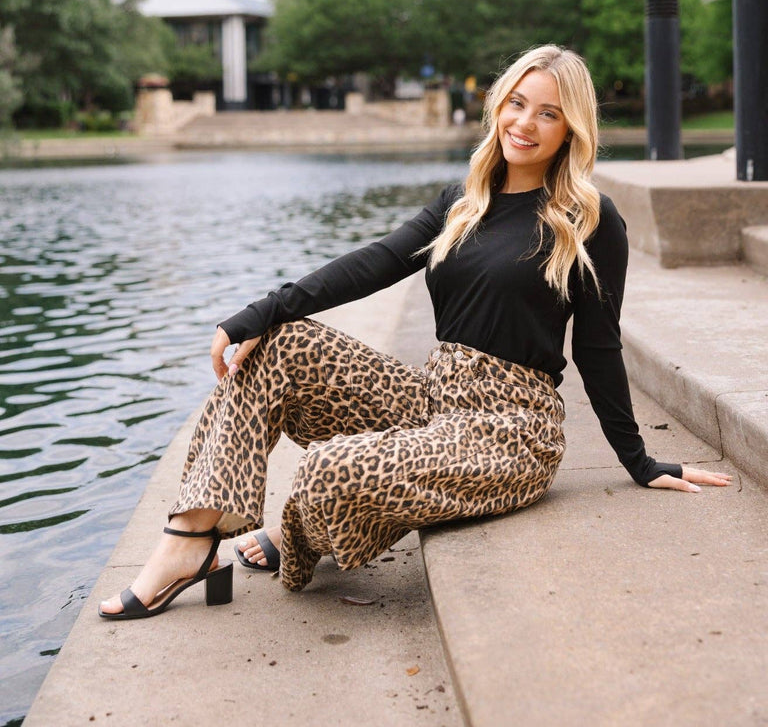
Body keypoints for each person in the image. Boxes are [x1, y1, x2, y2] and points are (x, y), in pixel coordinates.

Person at [99, 45, 731, 619]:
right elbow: (372, 263)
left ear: (572, 129)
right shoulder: (462, 201)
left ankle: (290, 534)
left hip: (511, 431)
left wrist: (639, 460)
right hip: (431, 401)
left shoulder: (587, 218)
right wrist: (256, 313)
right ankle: (192, 539)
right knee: (281, 341)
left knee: (325, 473)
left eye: (548, 113)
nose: (524, 123)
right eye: (517, 103)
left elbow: (598, 348)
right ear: (497, 105)